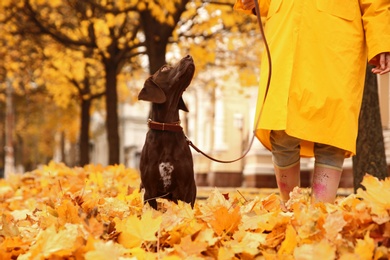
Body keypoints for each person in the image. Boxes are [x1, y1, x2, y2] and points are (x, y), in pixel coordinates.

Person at [234, 0, 390, 204]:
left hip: (336, 38)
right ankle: (291, 209)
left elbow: (376, 3)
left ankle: (319, 216)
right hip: (285, 35)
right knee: (280, 128)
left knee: (331, 133)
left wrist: (383, 41)